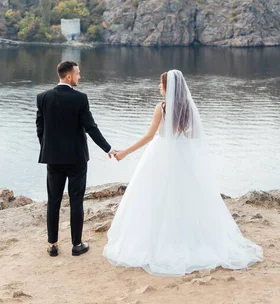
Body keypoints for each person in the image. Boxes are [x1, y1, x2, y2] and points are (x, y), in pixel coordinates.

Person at [103, 70, 263, 276]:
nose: (158, 87)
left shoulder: (162, 108)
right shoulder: (188, 107)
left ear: (168, 88)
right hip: (183, 155)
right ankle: (190, 237)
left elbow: (149, 136)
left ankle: (162, 239)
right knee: (187, 196)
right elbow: (195, 134)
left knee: (156, 196)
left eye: (160, 85)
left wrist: (125, 152)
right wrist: (181, 135)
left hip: (160, 155)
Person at [36, 60, 116, 257]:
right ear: (69, 76)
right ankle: (77, 245)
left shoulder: (43, 97)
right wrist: (108, 148)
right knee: (76, 200)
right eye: (78, 74)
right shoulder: (80, 98)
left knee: (53, 200)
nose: (80, 77)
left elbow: (40, 128)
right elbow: (91, 128)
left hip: (53, 158)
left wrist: (47, 148)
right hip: (76, 159)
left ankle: (53, 245)